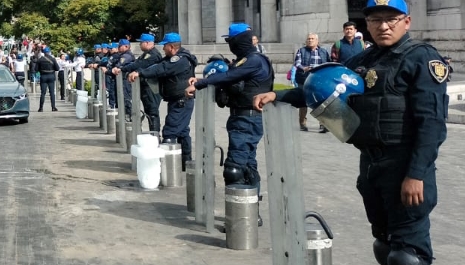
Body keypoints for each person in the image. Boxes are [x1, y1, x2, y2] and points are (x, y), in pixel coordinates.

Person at [256, 0, 447, 265]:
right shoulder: (364, 60)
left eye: (391, 19)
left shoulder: (422, 59)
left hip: (406, 169)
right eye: (375, 19)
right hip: (372, 165)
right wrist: (279, 94)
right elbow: (324, 89)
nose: (383, 25)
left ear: (406, 22)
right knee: (387, 248)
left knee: (409, 258)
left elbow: (432, 125)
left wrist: (416, 174)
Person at [187, 22, 274, 197]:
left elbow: (229, 76)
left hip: (247, 118)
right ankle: (251, 207)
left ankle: (241, 210)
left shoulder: (254, 60)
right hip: (242, 118)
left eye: (231, 41)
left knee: (235, 169)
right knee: (247, 164)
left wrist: (199, 84)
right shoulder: (245, 60)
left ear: (239, 41)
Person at [129, 34, 196, 164]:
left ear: (171, 47)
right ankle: (185, 163)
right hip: (177, 100)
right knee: (182, 132)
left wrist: (140, 73)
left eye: (165, 46)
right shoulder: (173, 58)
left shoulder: (180, 60)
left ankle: (168, 167)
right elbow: (157, 66)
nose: (163, 49)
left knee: (170, 132)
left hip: (181, 101)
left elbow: (162, 69)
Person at [117, 34, 162, 133]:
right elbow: (135, 64)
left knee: (152, 112)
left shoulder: (153, 55)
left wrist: (122, 69)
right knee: (149, 112)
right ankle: (153, 134)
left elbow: (138, 65)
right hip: (146, 86)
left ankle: (155, 135)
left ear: (147, 43)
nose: (140, 45)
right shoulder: (145, 54)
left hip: (152, 87)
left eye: (141, 43)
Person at [293, 33, 330, 132]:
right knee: (303, 101)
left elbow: (328, 63)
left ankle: (323, 124)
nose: (310, 40)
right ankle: (302, 123)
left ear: (317, 41)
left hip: (319, 80)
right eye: (308, 39)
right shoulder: (301, 50)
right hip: (304, 78)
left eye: (312, 39)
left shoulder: (323, 51)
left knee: (321, 101)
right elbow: (297, 63)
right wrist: (304, 68)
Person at [110, 40, 136, 119]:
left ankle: (130, 118)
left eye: (120, 46)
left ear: (126, 46)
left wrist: (115, 68)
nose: (118, 48)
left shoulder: (127, 56)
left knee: (126, 100)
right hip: (122, 80)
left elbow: (119, 65)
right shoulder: (121, 55)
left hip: (126, 80)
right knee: (121, 99)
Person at [34, 47, 59, 112]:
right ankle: (53, 107)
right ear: (49, 52)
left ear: (44, 53)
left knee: (43, 93)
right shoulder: (53, 59)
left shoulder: (40, 60)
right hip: (51, 76)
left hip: (43, 76)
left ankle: (41, 108)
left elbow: (36, 69)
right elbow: (57, 68)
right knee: (52, 93)